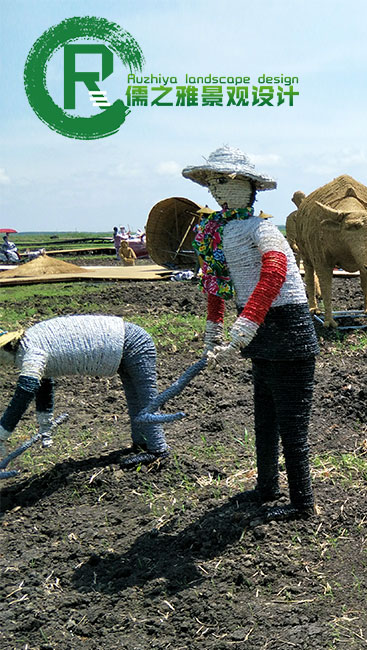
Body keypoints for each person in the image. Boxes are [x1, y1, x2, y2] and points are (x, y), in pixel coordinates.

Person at [183, 145, 319, 521]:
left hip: (287, 329)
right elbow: (217, 282)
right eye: (213, 182)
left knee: (291, 423)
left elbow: (274, 271)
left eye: (224, 181)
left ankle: (301, 502)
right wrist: (213, 329)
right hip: (258, 331)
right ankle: (266, 484)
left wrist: (247, 322)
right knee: (264, 414)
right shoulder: (215, 231)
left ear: (248, 186)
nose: (216, 189)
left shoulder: (263, 229)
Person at [0, 316, 169, 467]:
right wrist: (45, 425)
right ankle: (142, 443)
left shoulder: (30, 351)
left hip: (132, 343)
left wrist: (2, 434)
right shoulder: (31, 342)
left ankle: (158, 450)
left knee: (147, 398)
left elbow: (25, 392)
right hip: (123, 343)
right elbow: (44, 385)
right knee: (134, 397)